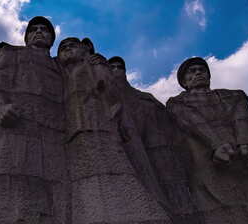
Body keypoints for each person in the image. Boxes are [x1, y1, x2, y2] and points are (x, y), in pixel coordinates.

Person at [167, 57, 248, 224]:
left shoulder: (234, 95)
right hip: (205, 156)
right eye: (192, 71)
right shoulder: (176, 103)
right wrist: (216, 144)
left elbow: (242, 116)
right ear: (184, 81)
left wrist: (246, 142)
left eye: (202, 70)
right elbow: (191, 122)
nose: (198, 73)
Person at [59, 38, 171, 224]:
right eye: (63, 48)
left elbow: (108, 89)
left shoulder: (92, 64)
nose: (67, 50)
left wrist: (113, 113)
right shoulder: (65, 73)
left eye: (72, 46)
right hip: (79, 129)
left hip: (98, 125)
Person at [0, 16, 68, 224]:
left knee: (57, 192)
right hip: (19, 122)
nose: (39, 32)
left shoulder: (60, 66)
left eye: (44, 29)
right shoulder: (12, 53)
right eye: (33, 29)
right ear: (26, 37)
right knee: (8, 184)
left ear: (52, 39)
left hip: (56, 130)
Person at [108, 56, 198, 223]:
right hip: (128, 155)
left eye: (119, 67)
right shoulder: (104, 100)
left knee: (176, 196)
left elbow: (170, 125)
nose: (115, 71)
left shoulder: (145, 98)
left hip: (161, 153)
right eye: (111, 67)